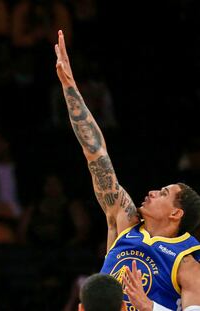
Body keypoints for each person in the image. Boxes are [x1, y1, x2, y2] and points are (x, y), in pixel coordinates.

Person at [55, 29, 200, 311]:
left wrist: (150, 308)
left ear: (176, 213)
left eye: (164, 193)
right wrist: (69, 86)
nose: (152, 192)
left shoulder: (187, 262)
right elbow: (95, 153)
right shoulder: (125, 223)